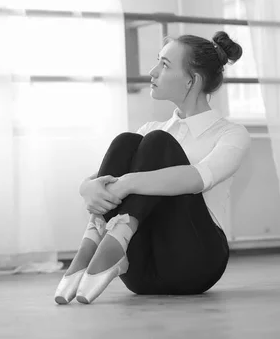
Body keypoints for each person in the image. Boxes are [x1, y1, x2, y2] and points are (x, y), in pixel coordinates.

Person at [54, 31, 250, 305]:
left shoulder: (230, 134)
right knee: (127, 141)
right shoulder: (148, 131)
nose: (152, 71)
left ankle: (115, 236)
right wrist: (86, 187)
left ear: (191, 80)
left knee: (159, 143)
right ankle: (97, 238)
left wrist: (129, 182)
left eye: (165, 65)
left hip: (194, 263)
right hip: (140, 272)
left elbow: (197, 178)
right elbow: (106, 178)